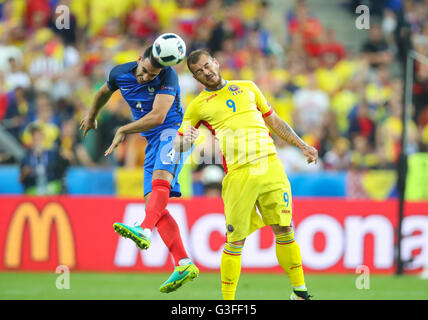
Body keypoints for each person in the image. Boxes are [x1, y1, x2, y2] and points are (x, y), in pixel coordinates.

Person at [173, 49, 318, 300]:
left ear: (216, 63)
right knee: (235, 240)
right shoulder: (197, 106)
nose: (206, 72)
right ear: (196, 78)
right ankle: (228, 301)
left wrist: (301, 144)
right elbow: (178, 144)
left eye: (207, 65)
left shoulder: (248, 87)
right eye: (199, 72)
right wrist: (186, 140)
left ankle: (300, 292)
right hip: (239, 174)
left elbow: (274, 121)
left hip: (271, 166)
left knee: (284, 229)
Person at [79, 45, 199, 293]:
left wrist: (123, 129)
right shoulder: (119, 73)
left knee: (159, 182)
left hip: (174, 133)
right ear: (138, 60)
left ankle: (144, 229)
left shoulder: (169, 76)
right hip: (152, 141)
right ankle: (184, 262)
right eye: (144, 71)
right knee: (152, 202)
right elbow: (103, 92)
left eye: (151, 76)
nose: (145, 78)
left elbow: (158, 116)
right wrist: (92, 115)